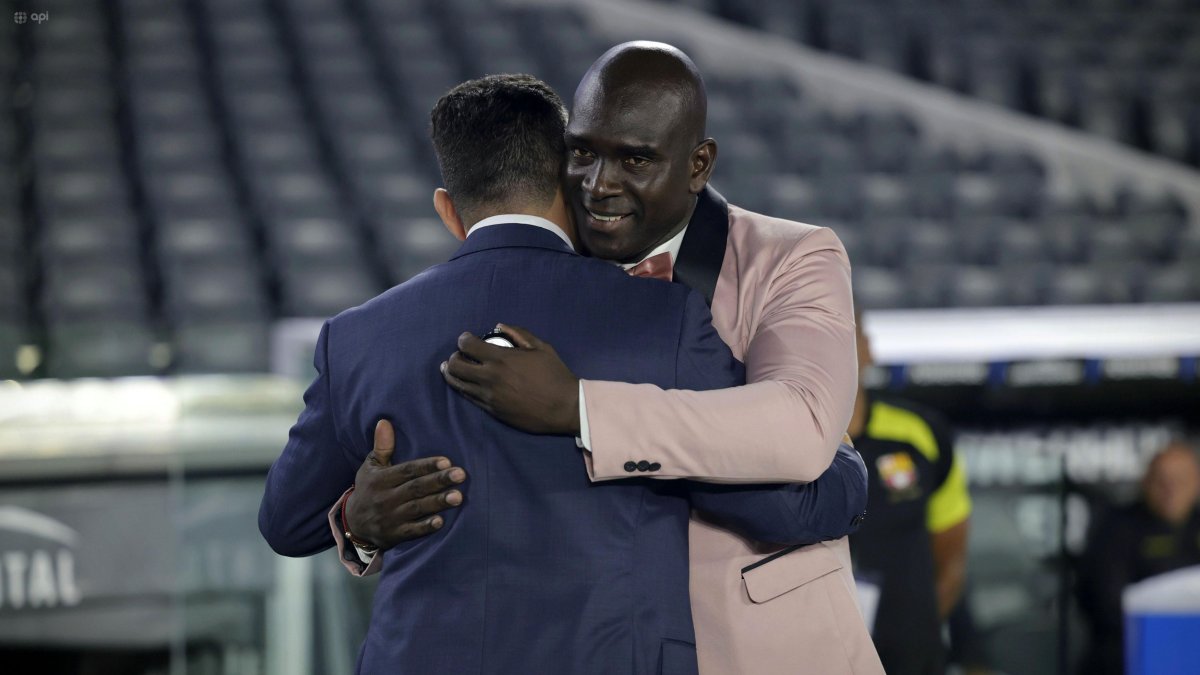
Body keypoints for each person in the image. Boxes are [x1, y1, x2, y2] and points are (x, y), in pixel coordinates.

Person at [259, 74, 868, 674]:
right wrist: (846, 469)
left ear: (448, 210)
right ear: (565, 180)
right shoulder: (657, 315)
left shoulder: (361, 336)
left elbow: (286, 522)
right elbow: (790, 506)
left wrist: (359, 526)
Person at [846, 317, 972, 675]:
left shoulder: (920, 433)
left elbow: (952, 551)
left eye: (846, 332)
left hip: (912, 659)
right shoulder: (788, 437)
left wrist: (918, 630)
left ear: (867, 348)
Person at [1076, 440, 1200, 675]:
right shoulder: (1116, 529)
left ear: (1197, 482)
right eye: (1161, 480)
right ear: (1146, 482)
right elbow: (1105, 604)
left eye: (1181, 479)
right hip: (1129, 654)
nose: (1170, 489)